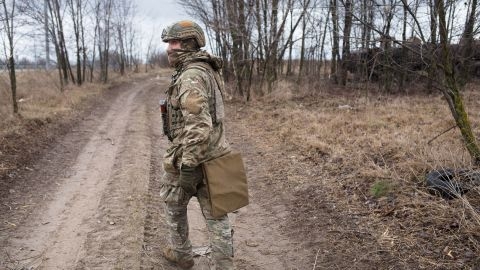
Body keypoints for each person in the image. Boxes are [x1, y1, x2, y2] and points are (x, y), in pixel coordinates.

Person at [159, 20, 234, 270]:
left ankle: (182, 254)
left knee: (174, 204)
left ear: (189, 43)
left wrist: (189, 165)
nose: (169, 47)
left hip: (192, 155)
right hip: (218, 152)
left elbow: (199, 125)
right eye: (169, 42)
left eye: (174, 42)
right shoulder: (208, 68)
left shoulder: (191, 75)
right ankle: (224, 265)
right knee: (218, 215)